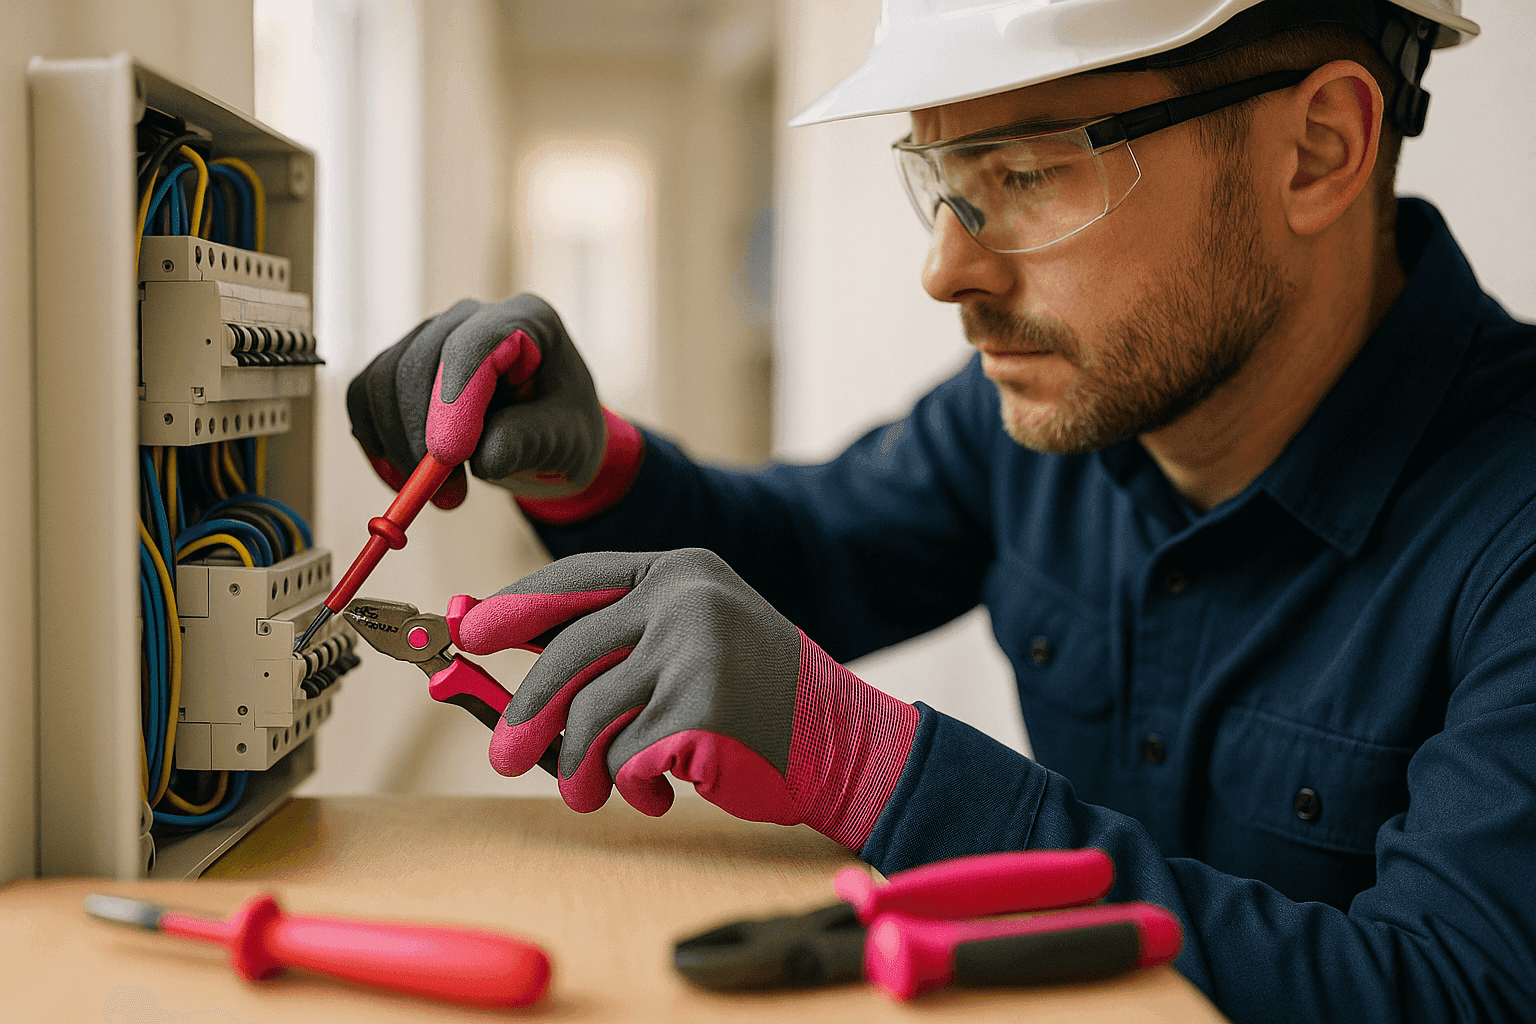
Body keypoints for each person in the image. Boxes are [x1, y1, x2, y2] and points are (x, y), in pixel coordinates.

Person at [346, 0, 1536, 1018]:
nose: (947, 270)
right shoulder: (1047, 415)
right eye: (946, 183)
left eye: (1025, 174)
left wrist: (870, 766)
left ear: (1319, 150)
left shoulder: (1512, 526)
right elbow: (808, 556)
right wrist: (588, 467)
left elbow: (1452, 990)